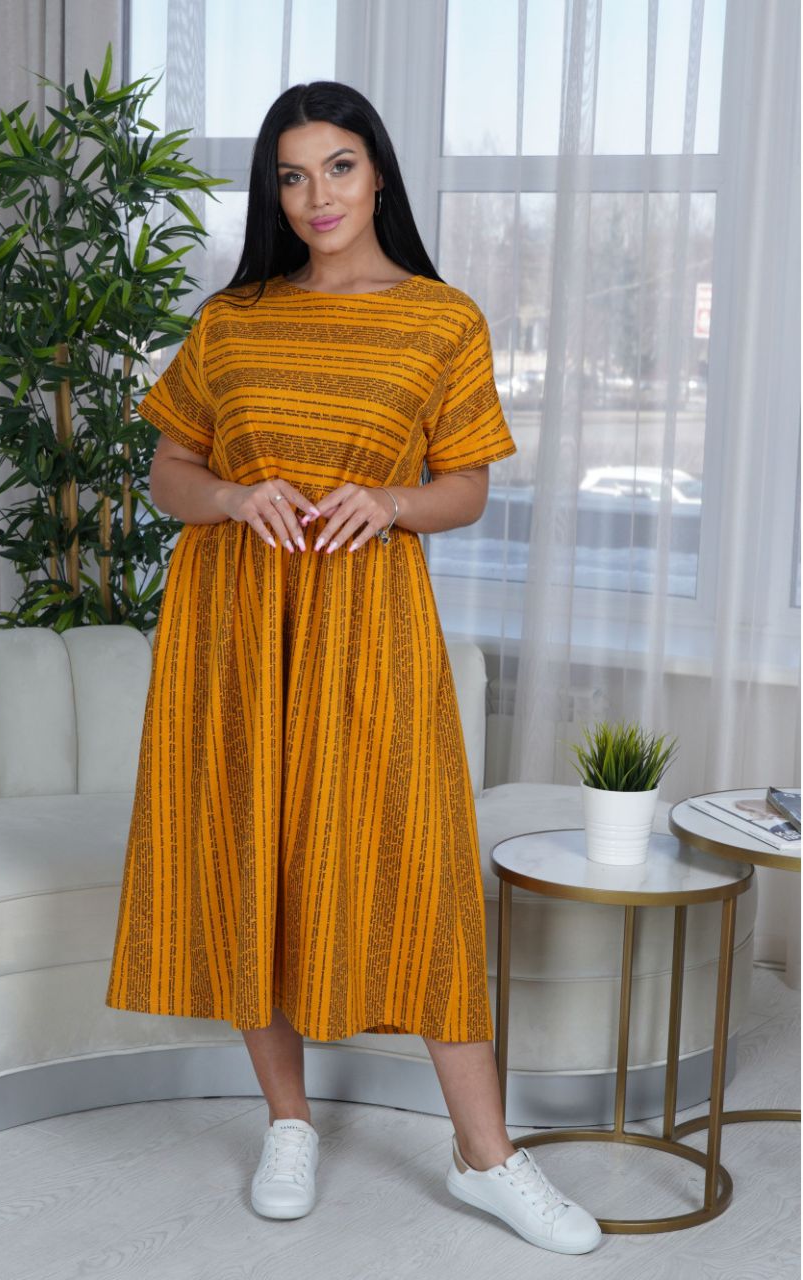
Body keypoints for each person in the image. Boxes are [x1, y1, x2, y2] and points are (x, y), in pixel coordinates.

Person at [105, 80, 602, 1256]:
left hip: (369, 627)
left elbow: (465, 486)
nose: (314, 195)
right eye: (290, 175)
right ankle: (288, 1120)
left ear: (376, 172)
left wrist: (388, 501)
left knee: (416, 870)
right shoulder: (233, 320)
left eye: (336, 166)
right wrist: (233, 494)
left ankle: (485, 1155)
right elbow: (169, 472)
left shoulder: (440, 318)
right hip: (233, 625)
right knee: (251, 859)